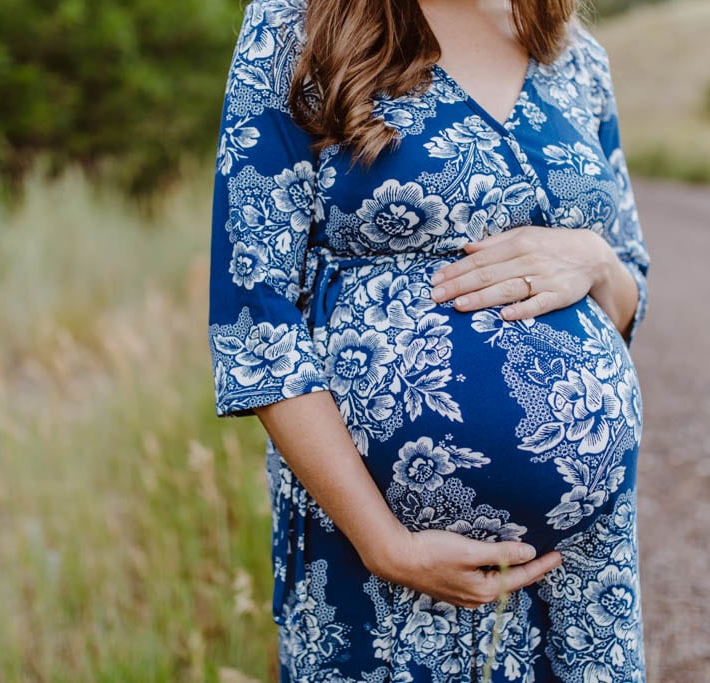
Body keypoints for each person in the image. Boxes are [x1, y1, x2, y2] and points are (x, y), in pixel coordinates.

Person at [207, 0, 651, 679]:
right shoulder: (295, 25)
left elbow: (624, 302)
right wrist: (385, 545)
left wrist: (592, 256)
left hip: (580, 571)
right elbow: (254, 318)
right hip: (376, 561)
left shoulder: (574, 56)